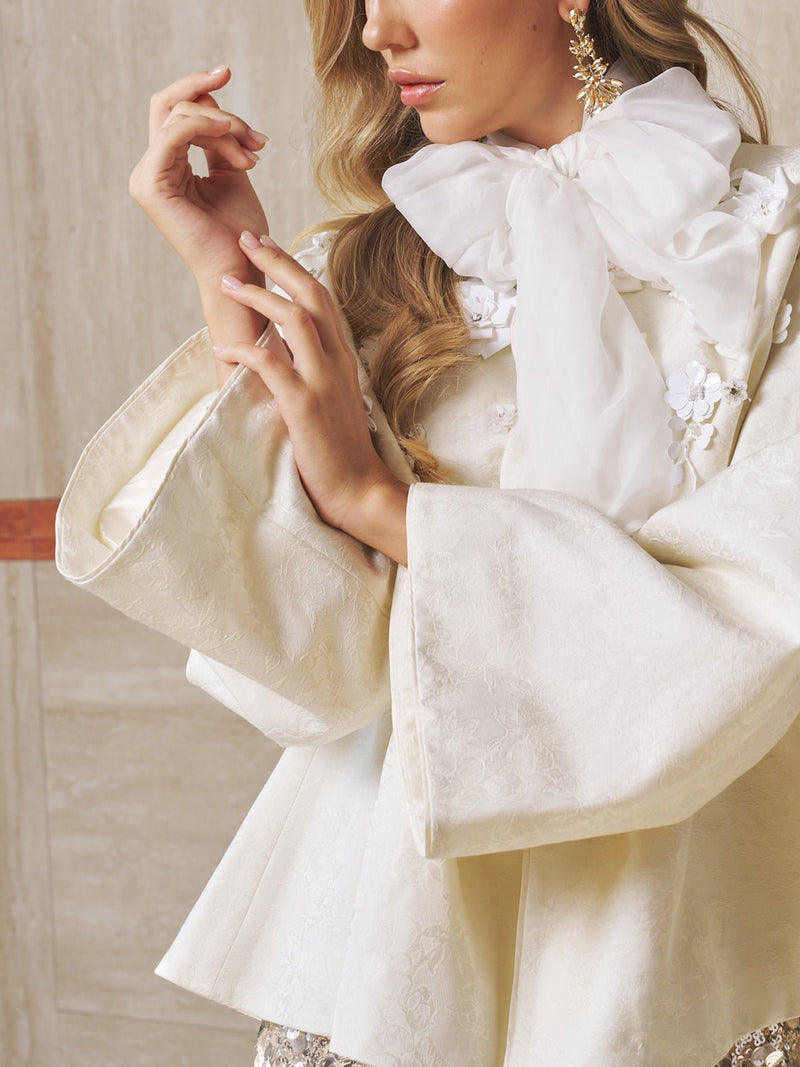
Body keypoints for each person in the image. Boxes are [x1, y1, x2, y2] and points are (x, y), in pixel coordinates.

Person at [55, 0, 800, 1064]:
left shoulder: (778, 242)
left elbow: (751, 621)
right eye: (353, 2)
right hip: (399, 919)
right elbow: (316, 667)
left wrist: (385, 506)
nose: (373, 32)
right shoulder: (376, 268)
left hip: (678, 919)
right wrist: (230, 279)